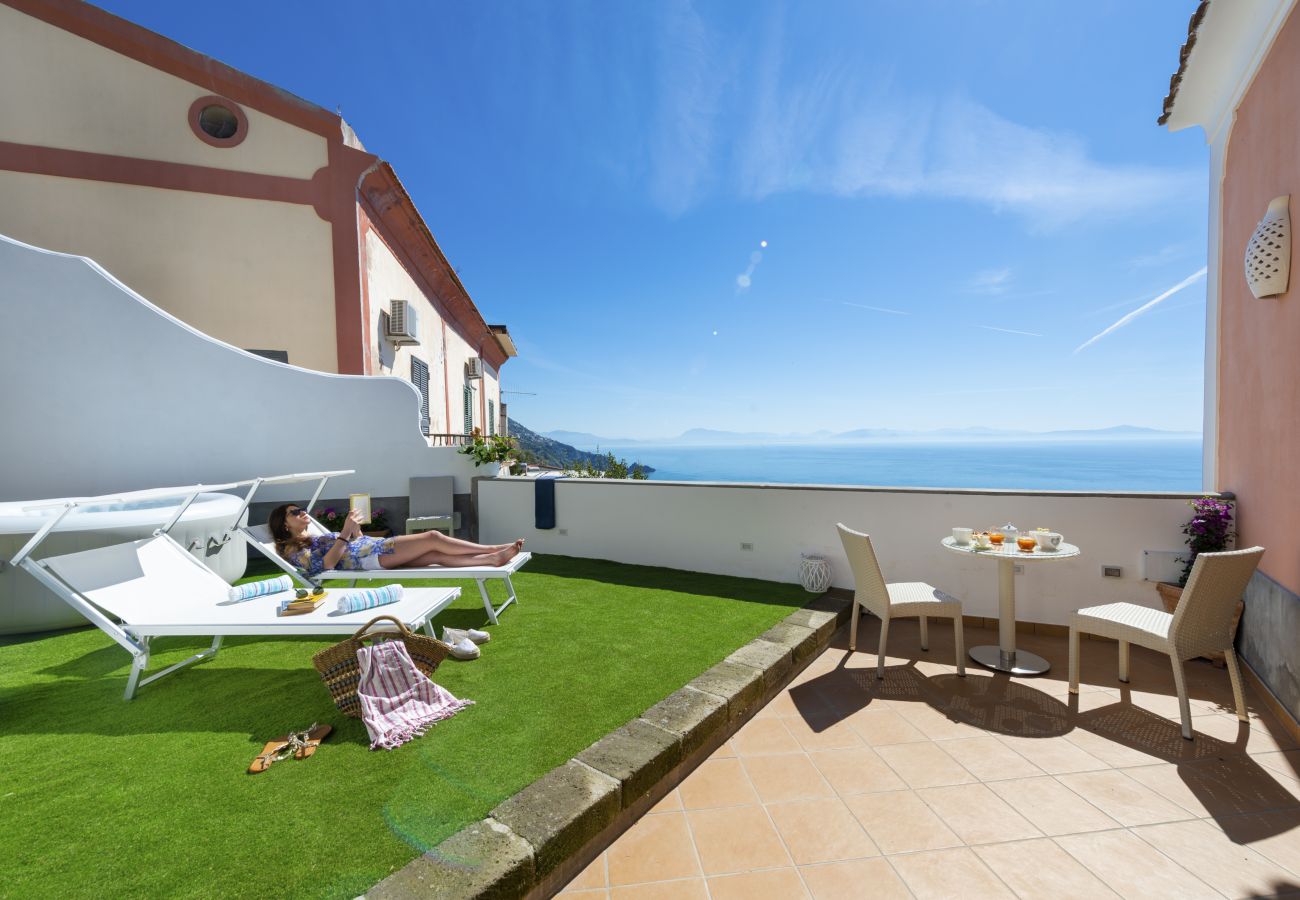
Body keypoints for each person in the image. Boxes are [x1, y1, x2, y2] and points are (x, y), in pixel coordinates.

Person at [268, 504, 523, 577]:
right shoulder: (292, 549)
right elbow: (324, 567)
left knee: (434, 555)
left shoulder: (312, 536)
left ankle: (493, 558)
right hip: (370, 556)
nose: (302, 512)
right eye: (294, 512)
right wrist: (345, 533)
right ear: (284, 523)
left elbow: (351, 543)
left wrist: (355, 531)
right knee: (433, 537)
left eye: (301, 509)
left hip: (369, 549)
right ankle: (492, 547)